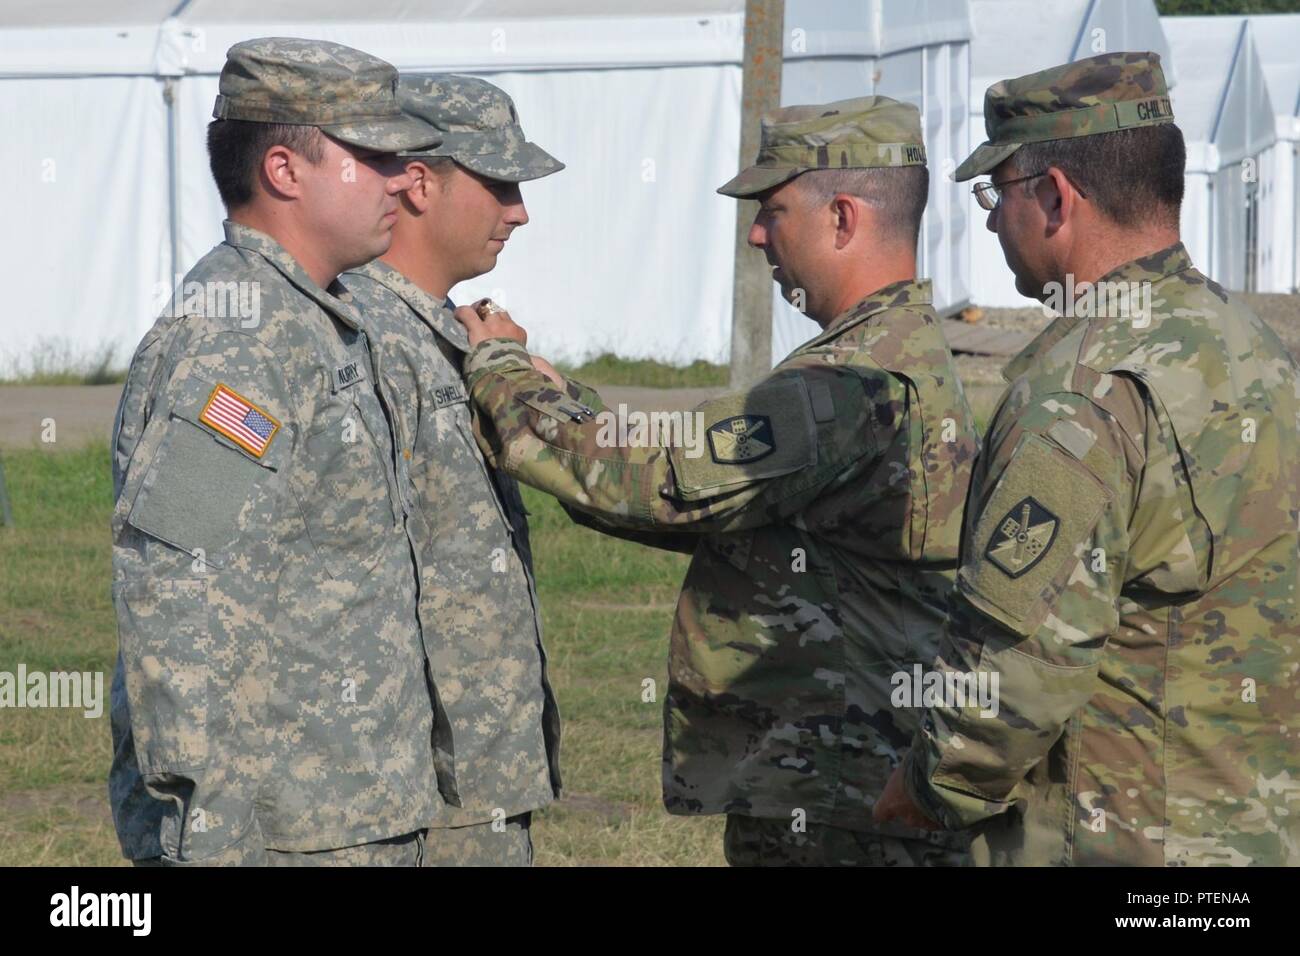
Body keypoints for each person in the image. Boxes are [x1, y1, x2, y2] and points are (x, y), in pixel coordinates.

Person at [454, 96, 979, 866]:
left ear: (842, 218)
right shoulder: (897, 354)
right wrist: (563, 401)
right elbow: (716, 491)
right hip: (853, 773)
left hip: (839, 793)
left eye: (772, 210)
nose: (758, 234)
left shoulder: (846, 384)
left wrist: (501, 373)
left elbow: (662, 484)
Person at [875, 52, 1300, 866]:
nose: (994, 221)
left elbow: (1017, 668)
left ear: (1057, 197)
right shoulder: (1251, 346)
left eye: (998, 194)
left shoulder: (1078, 390)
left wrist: (927, 787)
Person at [109, 37, 450, 866]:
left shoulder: (312, 314)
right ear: (286, 171)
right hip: (279, 828)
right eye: (371, 156)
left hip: (344, 810)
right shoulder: (241, 338)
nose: (402, 180)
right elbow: (181, 589)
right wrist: (213, 829)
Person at [340, 74, 574, 865]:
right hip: (417, 783)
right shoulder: (360, 337)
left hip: (474, 773)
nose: (520, 210)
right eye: (498, 183)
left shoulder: (444, 334)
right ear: (416, 182)